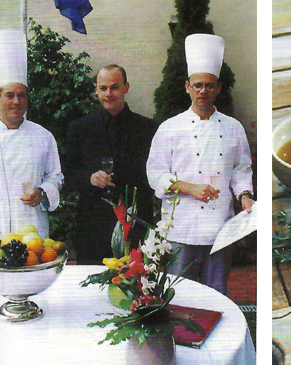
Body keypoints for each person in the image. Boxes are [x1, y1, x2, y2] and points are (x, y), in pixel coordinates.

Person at [147, 33, 255, 295]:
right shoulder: (169, 128)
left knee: (217, 294)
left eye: (209, 85)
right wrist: (189, 187)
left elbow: (241, 169)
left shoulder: (233, 127)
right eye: (197, 85)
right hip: (181, 227)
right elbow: (155, 174)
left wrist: (245, 196)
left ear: (218, 87)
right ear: (187, 87)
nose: (203, 91)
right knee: (179, 293)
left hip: (220, 227)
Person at [65, 64, 158, 264]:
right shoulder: (79, 128)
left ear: (126, 87)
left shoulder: (148, 128)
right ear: (96, 90)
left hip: (136, 222)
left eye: (114, 87)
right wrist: (89, 178)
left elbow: (155, 174)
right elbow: (69, 172)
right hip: (93, 224)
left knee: (135, 287)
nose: (109, 93)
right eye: (103, 88)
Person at [0, 29, 63, 239]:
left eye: (21, 96)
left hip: (32, 231)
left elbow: (55, 177)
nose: (16, 101)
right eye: (9, 95)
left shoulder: (43, 136)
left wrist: (42, 192)